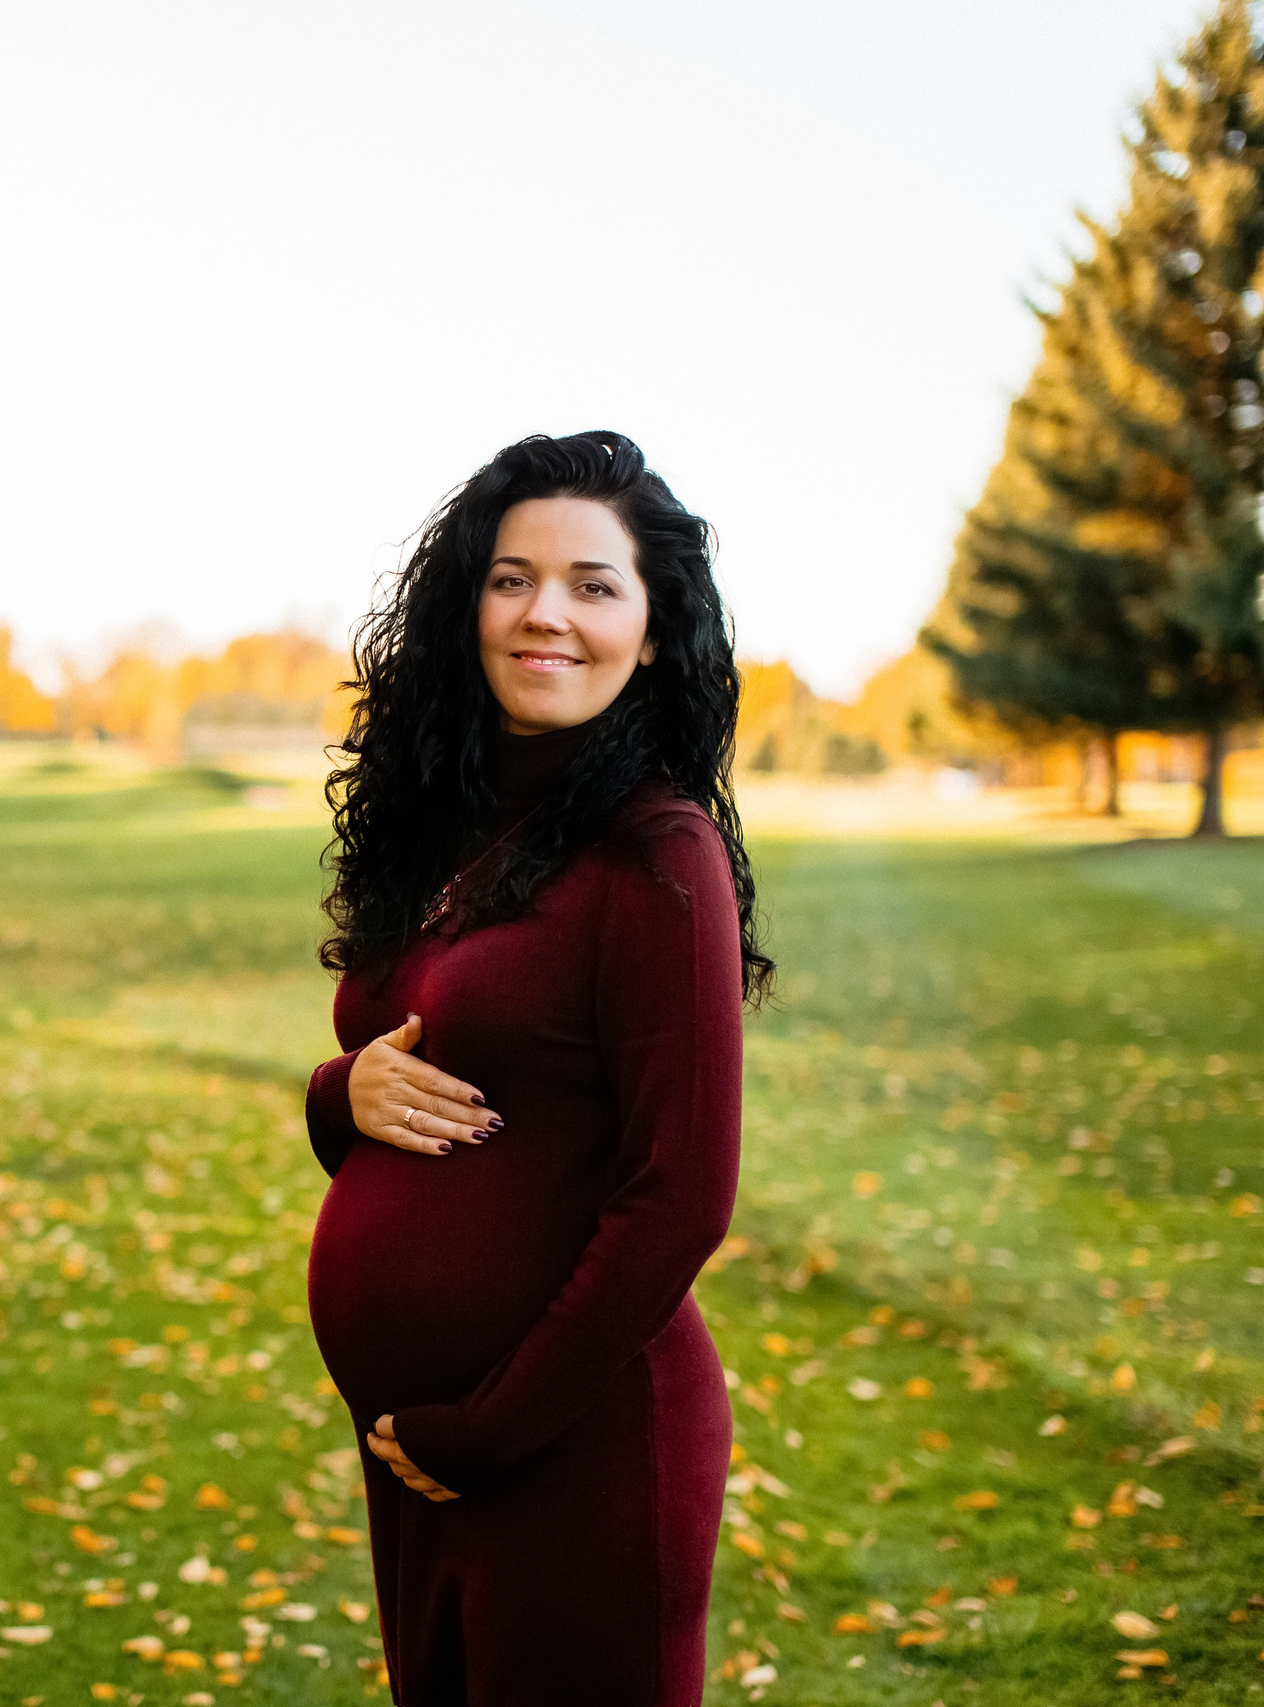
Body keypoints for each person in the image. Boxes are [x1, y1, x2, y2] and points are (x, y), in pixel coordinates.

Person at [303, 431, 773, 1705]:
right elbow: (392, 1049)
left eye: (592, 584)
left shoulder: (656, 856)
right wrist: (332, 1096)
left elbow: (680, 1194)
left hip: (571, 1445)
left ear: (656, 632)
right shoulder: (459, 825)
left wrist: (489, 1428)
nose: (543, 614)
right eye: (510, 579)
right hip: (424, 1453)